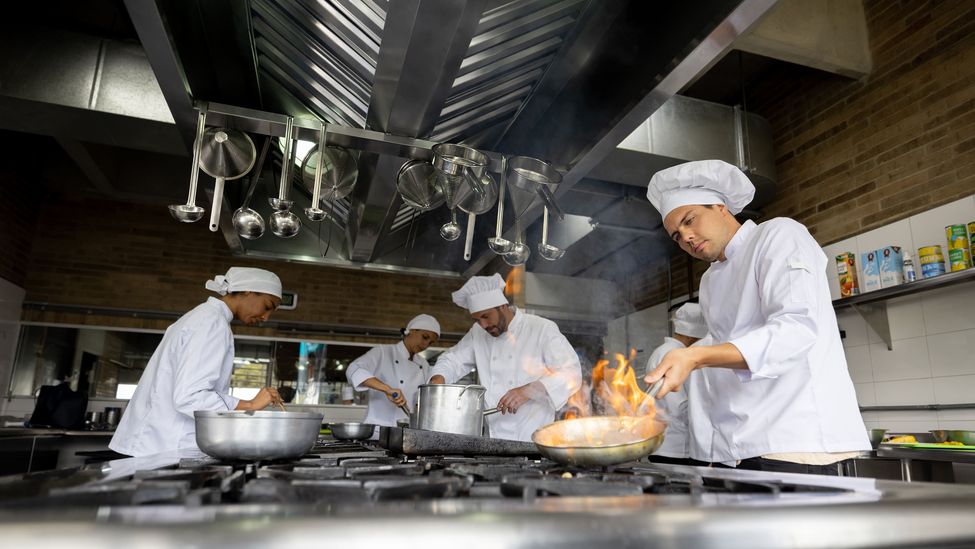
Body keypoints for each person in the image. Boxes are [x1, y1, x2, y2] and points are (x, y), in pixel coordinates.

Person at [643, 159, 869, 475]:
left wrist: (695, 356)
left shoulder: (778, 235)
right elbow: (727, 364)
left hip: (794, 443)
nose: (687, 237)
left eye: (690, 220)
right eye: (677, 236)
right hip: (737, 451)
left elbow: (795, 330)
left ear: (720, 207)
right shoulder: (710, 280)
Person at [110, 267, 284, 457]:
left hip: (155, 444)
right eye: (267, 306)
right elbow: (190, 396)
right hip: (165, 449)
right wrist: (250, 405)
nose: (266, 317)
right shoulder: (212, 323)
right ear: (247, 290)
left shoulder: (202, 316)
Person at [428, 274, 582, 442]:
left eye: (486, 316)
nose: (483, 325)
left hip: (534, 443)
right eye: (477, 319)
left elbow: (572, 373)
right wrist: (438, 378)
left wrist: (531, 389)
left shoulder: (541, 328)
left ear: (502, 306)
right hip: (493, 443)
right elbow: (452, 360)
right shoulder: (478, 333)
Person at [345, 314, 440, 433]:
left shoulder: (424, 364)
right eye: (424, 337)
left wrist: (420, 405)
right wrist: (386, 389)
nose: (426, 345)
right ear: (411, 330)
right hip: (378, 430)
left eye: (430, 343)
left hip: (406, 432)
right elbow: (354, 368)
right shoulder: (383, 352)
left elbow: (421, 397)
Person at [644, 302, 711, 467]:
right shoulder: (672, 354)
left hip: (669, 446)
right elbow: (679, 408)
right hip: (674, 448)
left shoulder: (664, 351)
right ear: (691, 335)